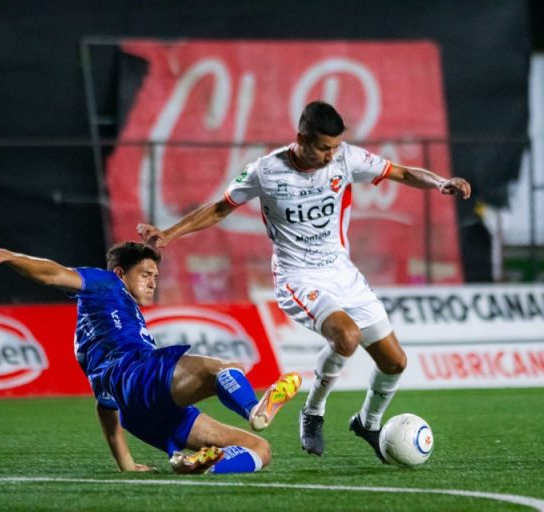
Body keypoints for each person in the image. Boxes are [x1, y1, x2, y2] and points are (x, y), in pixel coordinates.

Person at [136, 100, 472, 462]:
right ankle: (313, 411)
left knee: (395, 363)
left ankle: (368, 423)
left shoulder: (346, 159)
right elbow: (220, 207)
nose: (331, 155)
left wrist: (441, 182)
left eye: (335, 147)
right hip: (297, 278)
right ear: (301, 139)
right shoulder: (266, 171)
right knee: (346, 336)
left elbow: (401, 173)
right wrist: (169, 233)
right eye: (324, 147)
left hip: (343, 274)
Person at [0, 232, 301, 474]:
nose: (153, 282)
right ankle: (255, 410)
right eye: (145, 274)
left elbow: (105, 404)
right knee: (223, 369)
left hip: (138, 412)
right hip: (141, 376)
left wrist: (125, 463)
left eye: (156, 276)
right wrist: (7, 256)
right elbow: (53, 273)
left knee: (260, 450)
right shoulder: (105, 284)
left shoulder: (95, 335)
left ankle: (197, 464)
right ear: (120, 273)